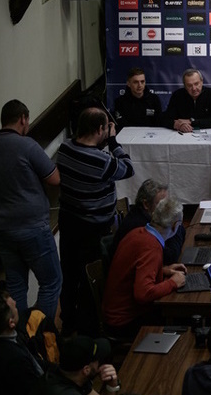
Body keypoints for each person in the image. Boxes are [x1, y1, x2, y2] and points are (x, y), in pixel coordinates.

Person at [0, 99, 62, 319]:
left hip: (1, 230)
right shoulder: (27, 146)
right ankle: (41, 333)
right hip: (32, 228)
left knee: (16, 284)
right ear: (22, 119)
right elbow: (54, 179)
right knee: (51, 282)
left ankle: (19, 332)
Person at [57, 107, 135, 335]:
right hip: (94, 228)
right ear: (101, 129)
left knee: (69, 272)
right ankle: (89, 327)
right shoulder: (102, 161)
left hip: (68, 221)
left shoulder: (65, 149)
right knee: (91, 275)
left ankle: (67, 323)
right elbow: (128, 168)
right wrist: (113, 141)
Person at [102, 198, 187, 338]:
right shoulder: (151, 247)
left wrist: (164, 270)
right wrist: (173, 283)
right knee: (184, 321)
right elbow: (143, 294)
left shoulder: (138, 232)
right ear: (175, 225)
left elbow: (135, 270)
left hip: (113, 314)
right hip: (124, 322)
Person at [109, 179, 186, 266]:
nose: (167, 208)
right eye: (161, 204)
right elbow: (170, 257)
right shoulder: (140, 227)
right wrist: (175, 224)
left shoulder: (147, 216)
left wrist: (175, 224)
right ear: (146, 204)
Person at [163, 68, 211, 133]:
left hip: (208, 133)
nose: (194, 88)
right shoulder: (177, 95)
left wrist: (190, 121)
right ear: (184, 85)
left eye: (196, 84)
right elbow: (166, 119)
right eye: (189, 85)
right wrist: (177, 125)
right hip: (182, 134)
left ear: (202, 81)